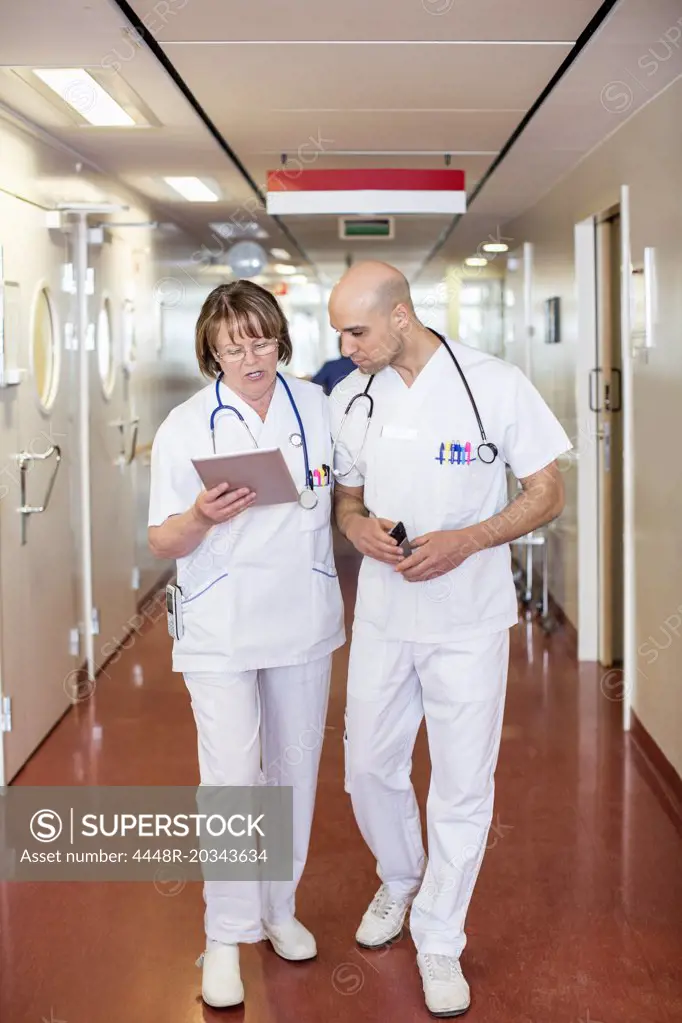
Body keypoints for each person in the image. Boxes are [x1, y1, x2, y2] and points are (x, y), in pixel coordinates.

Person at [328, 261, 571, 1017]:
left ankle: (440, 933)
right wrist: (356, 527)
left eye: (357, 330)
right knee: (367, 764)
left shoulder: (492, 383)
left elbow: (546, 491)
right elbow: (346, 498)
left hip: (468, 616)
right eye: (339, 332)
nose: (346, 345)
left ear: (400, 314)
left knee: (463, 784)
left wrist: (468, 538)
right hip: (383, 614)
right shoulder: (350, 396)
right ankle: (400, 875)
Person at [148, 281, 345, 1009]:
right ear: (211, 350)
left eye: (261, 339)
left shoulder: (315, 407)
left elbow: (345, 489)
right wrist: (199, 516)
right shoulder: (186, 425)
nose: (250, 355)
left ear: (279, 339)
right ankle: (226, 932)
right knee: (232, 775)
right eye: (233, 345)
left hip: (301, 612)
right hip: (221, 621)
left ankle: (277, 909)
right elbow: (160, 536)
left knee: (293, 769)